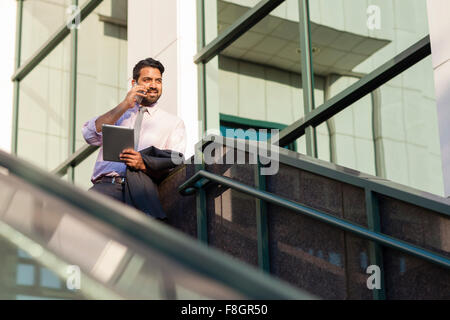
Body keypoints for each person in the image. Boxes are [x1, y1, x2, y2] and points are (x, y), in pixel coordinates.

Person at [82, 58, 186, 208]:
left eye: (158, 81)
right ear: (134, 84)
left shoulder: (173, 123)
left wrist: (143, 165)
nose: (153, 85)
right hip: (106, 188)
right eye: (147, 80)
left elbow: (175, 166)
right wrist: (125, 105)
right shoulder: (119, 115)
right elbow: (89, 135)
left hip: (143, 194)